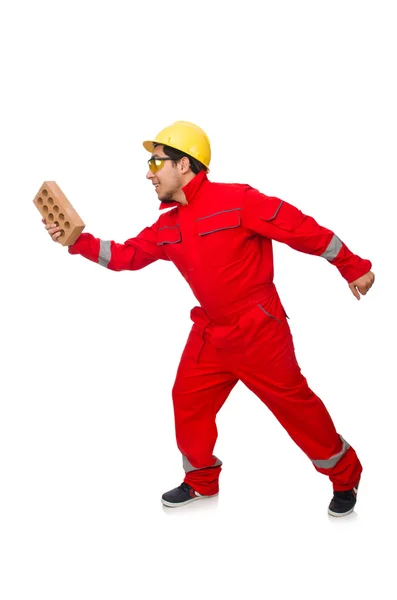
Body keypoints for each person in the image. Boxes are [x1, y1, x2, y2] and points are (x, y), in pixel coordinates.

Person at [44, 120, 374, 517]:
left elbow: (297, 228)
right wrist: (76, 241)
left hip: (260, 333)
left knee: (296, 408)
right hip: (211, 335)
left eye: (156, 161)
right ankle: (201, 481)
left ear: (184, 165)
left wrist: (351, 265)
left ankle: (344, 475)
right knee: (187, 401)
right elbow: (126, 256)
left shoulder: (238, 200)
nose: (149, 172)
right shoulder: (168, 225)